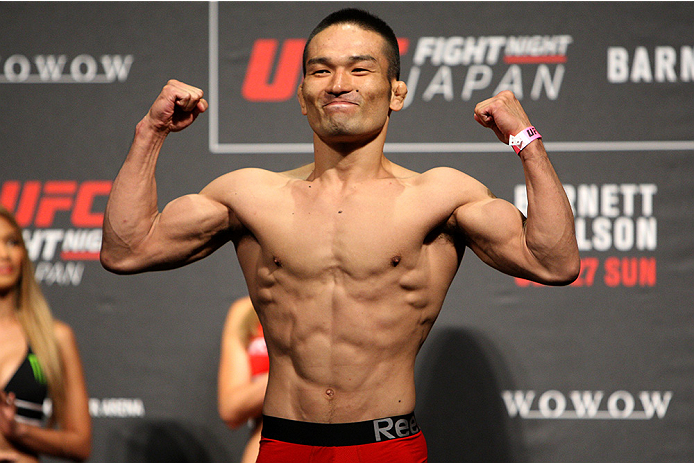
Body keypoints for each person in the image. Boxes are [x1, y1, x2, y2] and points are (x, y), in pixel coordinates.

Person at [100, 8, 579, 462]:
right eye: (321, 71)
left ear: (396, 93)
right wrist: (151, 131)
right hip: (285, 443)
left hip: (386, 445)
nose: (339, 84)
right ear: (302, 92)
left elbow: (553, 262)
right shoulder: (249, 195)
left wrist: (526, 142)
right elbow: (127, 249)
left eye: (359, 69)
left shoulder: (441, 195)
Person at [0, 206, 92, 462]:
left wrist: (20, 431)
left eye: (12, 242)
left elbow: (80, 444)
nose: (4, 254)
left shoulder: (54, 337)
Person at [218, 295, 269, 463]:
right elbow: (231, 407)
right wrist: (292, 372)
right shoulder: (246, 309)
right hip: (265, 446)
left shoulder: (344, 301)